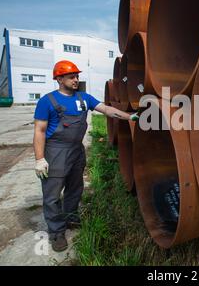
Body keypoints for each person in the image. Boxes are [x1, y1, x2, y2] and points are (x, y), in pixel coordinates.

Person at [33, 60, 138, 252]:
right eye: (71, 76)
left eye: (77, 76)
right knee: (52, 194)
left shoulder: (83, 98)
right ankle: (56, 232)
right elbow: (39, 130)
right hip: (55, 150)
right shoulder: (47, 101)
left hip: (76, 150)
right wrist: (40, 159)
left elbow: (106, 109)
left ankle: (71, 217)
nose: (76, 79)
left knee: (75, 187)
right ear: (59, 78)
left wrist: (128, 116)